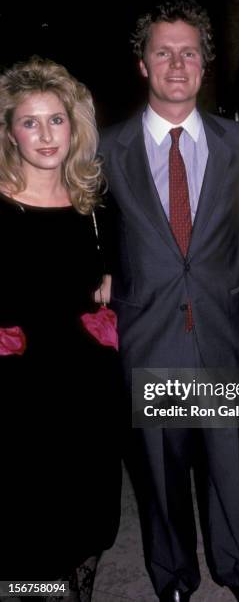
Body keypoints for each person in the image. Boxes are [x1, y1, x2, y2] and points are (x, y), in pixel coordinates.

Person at [100, 0, 239, 602]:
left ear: (206, 63)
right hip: (148, 334)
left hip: (223, 331)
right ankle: (173, 578)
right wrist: (98, 276)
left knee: (229, 468)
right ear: (143, 63)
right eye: (163, 52)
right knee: (159, 473)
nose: (178, 64)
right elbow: (69, 222)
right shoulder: (102, 149)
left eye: (190, 52)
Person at [0, 57, 122, 600]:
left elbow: (115, 267)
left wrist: (113, 278)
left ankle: (81, 572)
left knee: (91, 500)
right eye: (30, 121)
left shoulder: (93, 202)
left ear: (75, 127)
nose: (45, 134)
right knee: (28, 512)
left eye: (56, 120)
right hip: (20, 385)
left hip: (85, 378)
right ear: (9, 131)